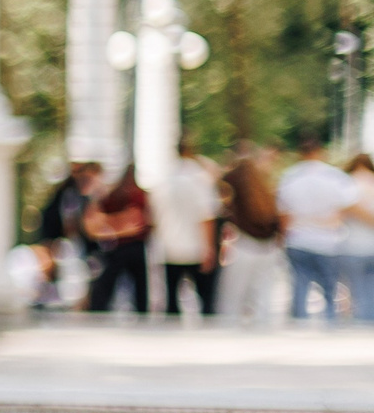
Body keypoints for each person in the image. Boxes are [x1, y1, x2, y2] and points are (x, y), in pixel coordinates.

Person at [278, 132, 354, 322]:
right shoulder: (335, 177)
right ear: (321, 151)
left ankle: (299, 325)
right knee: (330, 288)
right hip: (328, 240)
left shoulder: (290, 176)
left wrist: (283, 237)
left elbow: (283, 213)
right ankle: (330, 325)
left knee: (300, 286)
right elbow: (347, 206)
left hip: (298, 238)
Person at [217, 146, 287, 325]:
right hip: (268, 247)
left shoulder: (233, 180)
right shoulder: (264, 186)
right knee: (263, 298)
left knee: (232, 298)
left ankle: (228, 333)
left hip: (245, 244)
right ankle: (262, 334)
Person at [154, 138, 222, 317]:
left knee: (171, 302)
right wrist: (210, 247)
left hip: (169, 247)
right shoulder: (200, 179)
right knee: (206, 299)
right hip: (196, 247)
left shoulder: (165, 178)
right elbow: (207, 216)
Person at [83, 166, 151, 315]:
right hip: (122, 247)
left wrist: (114, 225)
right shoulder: (113, 195)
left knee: (138, 287)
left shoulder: (134, 196)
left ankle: (140, 312)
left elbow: (139, 220)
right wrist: (123, 224)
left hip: (127, 246)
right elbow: (93, 223)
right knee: (111, 284)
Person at [34, 162, 100, 310]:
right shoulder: (71, 193)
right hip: (62, 241)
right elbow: (69, 221)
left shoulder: (76, 193)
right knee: (64, 272)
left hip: (64, 240)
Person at [341, 153, 374, 321]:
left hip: (353, 245)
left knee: (357, 291)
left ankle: (362, 325)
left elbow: (341, 212)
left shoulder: (348, 183)